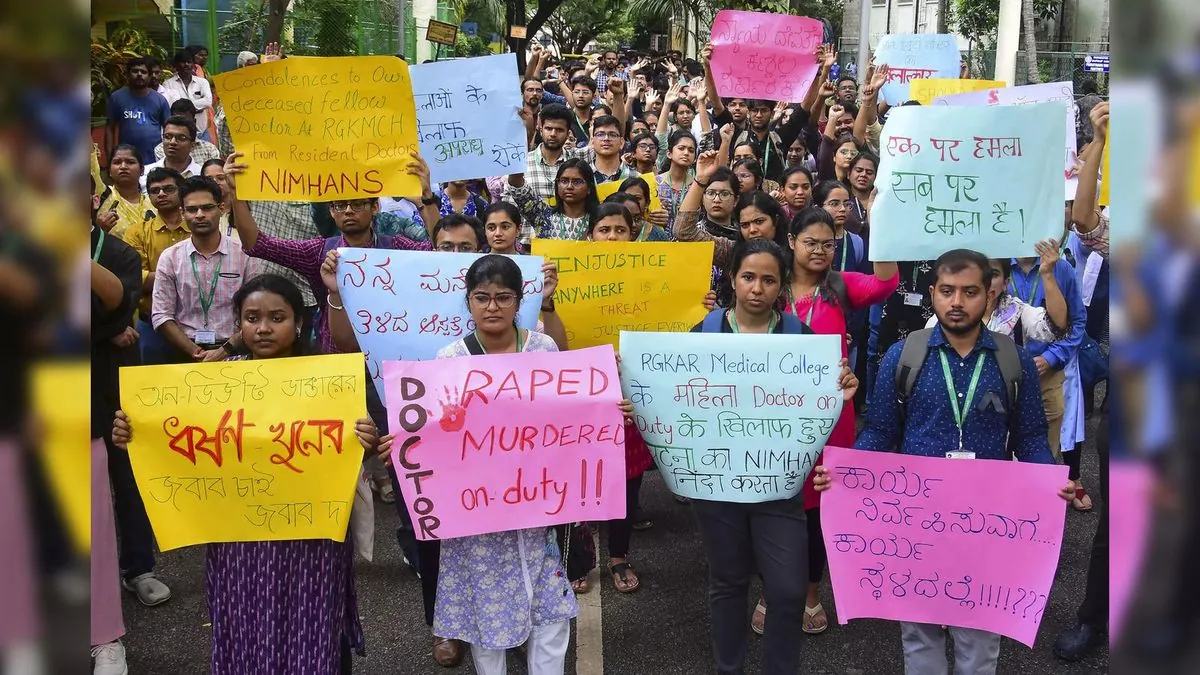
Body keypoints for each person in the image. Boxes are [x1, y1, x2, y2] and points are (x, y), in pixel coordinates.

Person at [816, 248, 1074, 675]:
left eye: (970, 292)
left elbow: (1029, 437)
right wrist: (845, 471)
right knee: (919, 636)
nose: (958, 302)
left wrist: (1051, 480)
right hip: (917, 523)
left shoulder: (1014, 361)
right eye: (948, 291)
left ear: (989, 296)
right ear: (932, 293)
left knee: (980, 635)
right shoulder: (904, 356)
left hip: (989, 521)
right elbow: (881, 431)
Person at [375, 254, 632, 675]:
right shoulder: (449, 359)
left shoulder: (543, 349)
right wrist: (403, 446)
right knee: (486, 611)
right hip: (477, 514)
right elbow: (434, 433)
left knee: (549, 611)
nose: (492, 306)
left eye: (503, 297)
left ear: (519, 300)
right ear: (468, 301)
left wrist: (606, 412)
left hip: (537, 505)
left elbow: (568, 414)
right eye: (482, 297)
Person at [112, 274, 381, 674]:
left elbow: (353, 445)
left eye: (277, 317)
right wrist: (134, 434)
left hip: (311, 535)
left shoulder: (326, 380)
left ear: (299, 323)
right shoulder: (213, 383)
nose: (264, 328)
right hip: (238, 536)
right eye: (252, 318)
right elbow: (173, 435)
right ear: (239, 325)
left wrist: (367, 437)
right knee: (242, 619)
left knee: (315, 621)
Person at [691, 239, 857, 675]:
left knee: (786, 591)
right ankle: (729, 668)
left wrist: (838, 394)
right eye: (748, 277)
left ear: (782, 285)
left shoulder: (800, 338)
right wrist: (641, 402)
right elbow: (677, 398)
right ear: (732, 280)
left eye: (768, 279)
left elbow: (815, 410)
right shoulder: (705, 333)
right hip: (718, 485)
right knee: (727, 583)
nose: (757, 288)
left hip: (780, 486)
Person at [748, 207, 896, 636]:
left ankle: (811, 594)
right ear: (791, 241)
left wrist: (886, 223)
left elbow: (886, 283)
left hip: (831, 419)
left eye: (828, 244)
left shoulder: (841, 286)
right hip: (770, 416)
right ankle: (769, 592)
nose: (819, 250)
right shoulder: (769, 287)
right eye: (810, 242)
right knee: (770, 506)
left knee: (817, 511)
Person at [222, 151, 441, 356]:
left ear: (375, 207)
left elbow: (439, 253)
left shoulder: (395, 247)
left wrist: (426, 199)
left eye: (357, 204)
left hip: (389, 353)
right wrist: (236, 195)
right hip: (335, 358)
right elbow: (258, 245)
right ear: (330, 211)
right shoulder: (319, 252)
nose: (347, 211)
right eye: (339, 205)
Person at [90, 194, 143, 675]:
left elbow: (117, 307)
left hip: (92, 397)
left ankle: (104, 636)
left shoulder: (116, 254)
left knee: (95, 517)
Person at [151, 176, 259, 362]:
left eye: (207, 208)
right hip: (185, 353)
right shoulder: (170, 258)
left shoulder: (244, 255)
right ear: (182, 213)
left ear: (221, 208)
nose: (199, 214)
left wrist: (223, 352)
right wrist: (194, 351)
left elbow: (255, 313)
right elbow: (161, 315)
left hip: (235, 352)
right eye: (192, 210)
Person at [125, 167, 192, 365]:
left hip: (194, 325)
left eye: (168, 189)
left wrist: (158, 277)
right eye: (154, 191)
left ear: (182, 191)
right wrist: (181, 275)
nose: (161, 194)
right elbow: (135, 279)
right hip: (151, 325)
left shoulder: (198, 227)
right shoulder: (137, 232)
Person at [504, 158, 599, 241]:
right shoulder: (544, 216)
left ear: (589, 188)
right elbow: (517, 186)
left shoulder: (599, 220)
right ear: (557, 185)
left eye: (577, 181)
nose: (569, 186)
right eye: (564, 181)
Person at [104, 57, 171, 165]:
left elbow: (169, 130)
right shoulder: (117, 97)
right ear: (127, 74)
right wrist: (110, 157)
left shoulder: (160, 100)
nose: (139, 74)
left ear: (149, 76)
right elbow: (109, 128)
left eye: (144, 72)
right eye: (135, 71)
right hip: (126, 160)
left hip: (155, 159)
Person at [673, 150, 742, 249]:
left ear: (736, 200)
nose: (717, 199)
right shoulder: (692, 234)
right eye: (711, 193)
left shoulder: (744, 236)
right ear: (702, 199)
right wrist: (701, 178)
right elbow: (682, 231)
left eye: (724, 194)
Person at [812, 181, 869, 274]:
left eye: (847, 204)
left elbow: (865, 279)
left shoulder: (857, 242)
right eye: (834, 204)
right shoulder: (808, 240)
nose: (843, 209)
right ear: (817, 207)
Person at [98, 145, 154, 240]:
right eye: (117, 162)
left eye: (130, 162)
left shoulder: (154, 202)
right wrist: (99, 230)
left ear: (142, 170)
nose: (123, 167)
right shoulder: (101, 194)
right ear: (109, 171)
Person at [159, 50, 213, 142]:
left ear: (193, 64)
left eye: (189, 62)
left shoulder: (202, 82)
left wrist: (184, 107)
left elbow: (208, 101)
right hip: (178, 134)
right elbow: (171, 107)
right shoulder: (168, 84)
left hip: (201, 132)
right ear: (176, 65)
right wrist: (198, 107)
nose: (186, 65)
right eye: (183, 62)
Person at [152, 99, 220, 164]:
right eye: (177, 121)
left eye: (185, 121)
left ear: (194, 122)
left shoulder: (210, 150)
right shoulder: (161, 149)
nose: (181, 125)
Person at [140, 116, 202, 187]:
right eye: (167, 136)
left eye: (181, 138)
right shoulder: (145, 175)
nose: (172, 142)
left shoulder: (202, 175)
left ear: (192, 145)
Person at [655, 130, 697, 231]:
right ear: (669, 154)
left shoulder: (696, 186)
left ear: (695, 158)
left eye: (691, 150)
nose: (686, 153)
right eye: (681, 148)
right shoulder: (655, 183)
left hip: (689, 242)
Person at [844, 151, 878, 236]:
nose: (863, 174)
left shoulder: (881, 202)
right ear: (848, 174)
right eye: (859, 170)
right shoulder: (841, 201)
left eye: (869, 172)